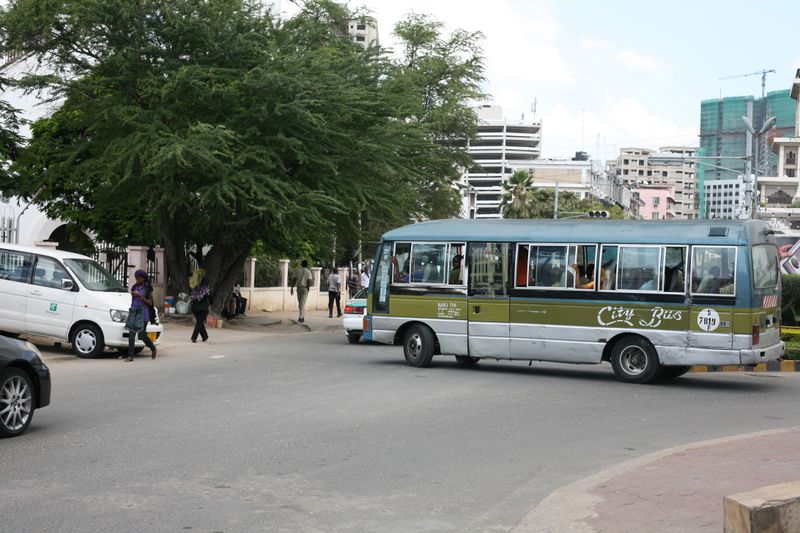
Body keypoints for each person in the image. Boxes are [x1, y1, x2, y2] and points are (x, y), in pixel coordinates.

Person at [126, 269, 157, 362]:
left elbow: (150, 303)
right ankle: (130, 356)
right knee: (131, 333)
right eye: (136, 278)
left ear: (143, 278)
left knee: (142, 335)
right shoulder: (135, 286)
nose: (137, 280)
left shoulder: (147, 288)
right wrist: (133, 295)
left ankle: (153, 348)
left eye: (139, 278)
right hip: (134, 311)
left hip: (143, 313)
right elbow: (133, 299)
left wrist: (140, 296)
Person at [190, 276, 211, 343]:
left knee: (200, 322)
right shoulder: (206, 289)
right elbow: (210, 298)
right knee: (199, 323)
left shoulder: (196, 287)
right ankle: (194, 337)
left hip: (194, 308)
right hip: (203, 309)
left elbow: (193, 297)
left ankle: (205, 336)